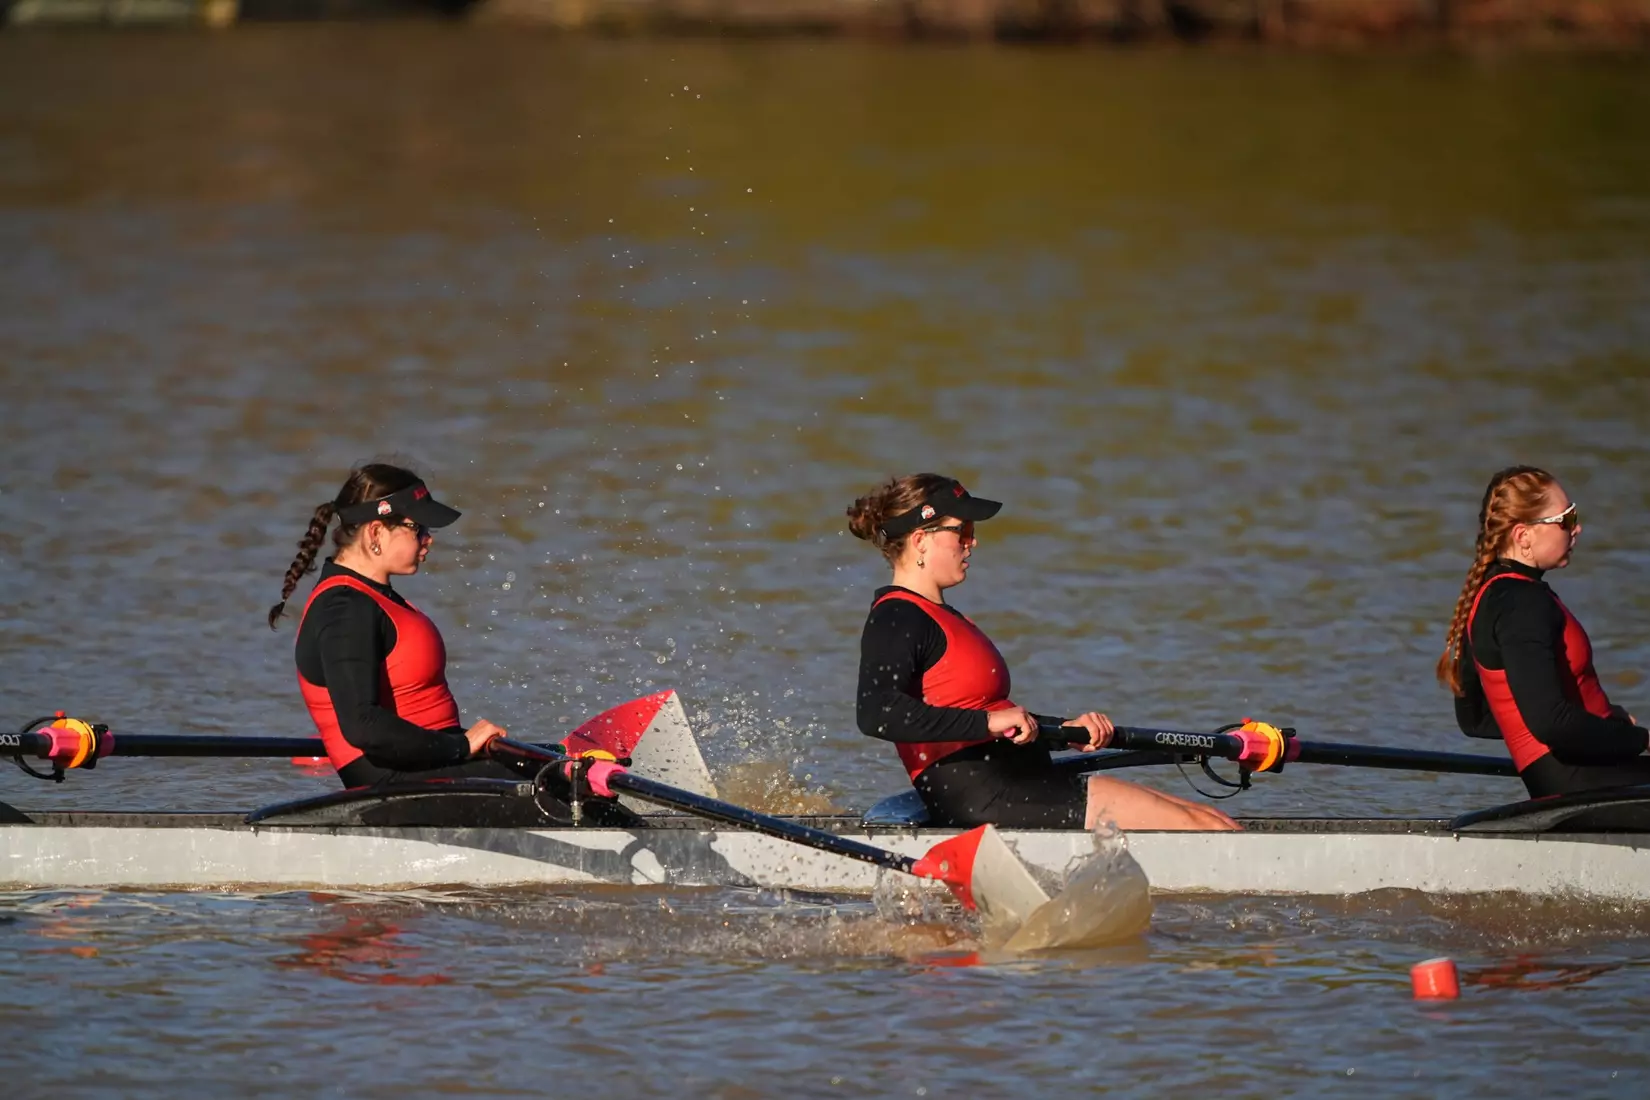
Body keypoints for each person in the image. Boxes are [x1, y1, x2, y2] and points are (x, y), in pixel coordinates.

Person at [845, 473, 1239, 831]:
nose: (972, 541)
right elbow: (878, 712)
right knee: (1206, 830)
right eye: (960, 530)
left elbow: (985, 713)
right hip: (986, 797)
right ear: (920, 540)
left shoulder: (940, 615)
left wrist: (1065, 731)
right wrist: (991, 724)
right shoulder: (898, 617)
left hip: (1019, 780)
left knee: (1209, 819)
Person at [268, 463, 511, 788]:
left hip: (433, 767)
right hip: (392, 783)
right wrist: (462, 746)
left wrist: (462, 748)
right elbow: (363, 725)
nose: (428, 539)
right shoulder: (344, 609)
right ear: (376, 533)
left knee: (570, 771)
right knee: (564, 787)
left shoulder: (372, 597)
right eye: (418, 528)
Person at [1438, 465, 1650, 798]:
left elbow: (1475, 718)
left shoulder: (1489, 595)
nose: (1576, 528)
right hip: (1583, 781)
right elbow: (1550, 722)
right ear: (1523, 536)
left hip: (1584, 771)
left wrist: (1606, 728)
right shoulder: (1523, 604)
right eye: (1564, 519)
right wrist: (1640, 740)